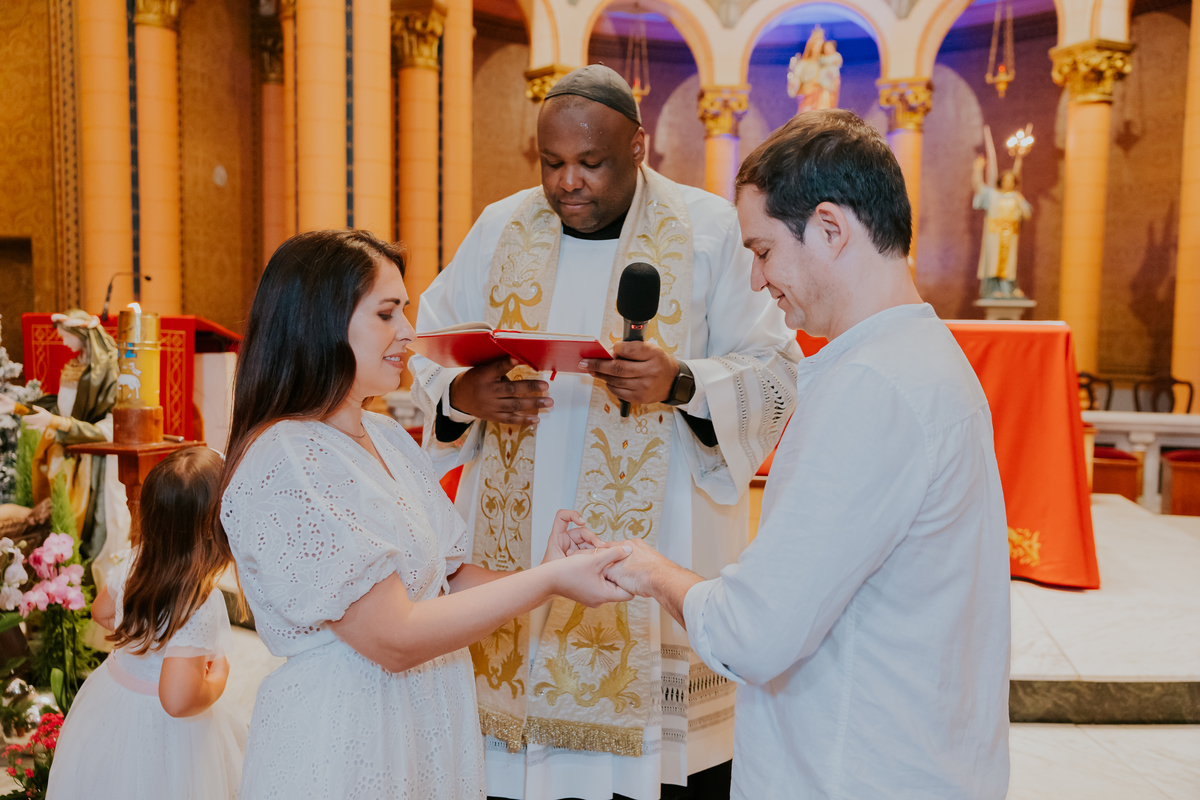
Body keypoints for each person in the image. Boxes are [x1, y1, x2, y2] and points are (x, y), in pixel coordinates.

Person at [408, 64, 801, 800]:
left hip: (659, 551)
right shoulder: (500, 227)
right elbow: (424, 348)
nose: (568, 183)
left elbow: (777, 372)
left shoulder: (709, 230)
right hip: (518, 542)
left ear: (638, 147)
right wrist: (464, 394)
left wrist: (679, 382)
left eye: (591, 163)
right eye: (552, 162)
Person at [603, 109, 1012, 799]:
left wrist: (650, 570)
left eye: (763, 250)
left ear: (829, 228)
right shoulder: (922, 356)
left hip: (855, 772)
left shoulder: (871, 385)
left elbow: (753, 634)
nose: (757, 279)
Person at [217, 229, 633, 800]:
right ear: (320, 321)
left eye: (404, 312)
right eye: (386, 314)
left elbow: (448, 581)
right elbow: (393, 637)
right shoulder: (288, 456)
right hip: (347, 738)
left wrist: (548, 570)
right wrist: (548, 583)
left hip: (422, 725)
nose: (409, 332)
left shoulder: (386, 435)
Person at [47, 446, 244, 800]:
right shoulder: (199, 600)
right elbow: (176, 700)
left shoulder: (136, 559)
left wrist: (142, 638)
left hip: (112, 702)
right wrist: (218, 677)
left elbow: (102, 612)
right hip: (165, 732)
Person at [0, 310, 131, 577]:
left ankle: (92, 581)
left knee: (95, 524)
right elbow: (59, 408)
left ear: (81, 334)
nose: (63, 342)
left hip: (96, 458)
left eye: (66, 336)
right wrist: (17, 407)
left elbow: (107, 427)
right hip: (69, 455)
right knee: (61, 517)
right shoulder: (76, 364)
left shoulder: (108, 370)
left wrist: (58, 423)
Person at [972, 156, 1032, 299]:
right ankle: (993, 289)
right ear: (1001, 181)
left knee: (1009, 264)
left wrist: (1022, 201)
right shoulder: (992, 195)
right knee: (993, 262)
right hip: (994, 235)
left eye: (1011, 180)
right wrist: (977, 170)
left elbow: (1027, 214)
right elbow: (979, 187)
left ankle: (1009, 289)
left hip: (1010, 236)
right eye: (1006, 180)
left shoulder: (1016, 197)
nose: (1008, 183)